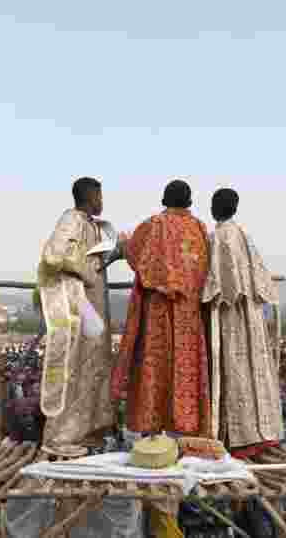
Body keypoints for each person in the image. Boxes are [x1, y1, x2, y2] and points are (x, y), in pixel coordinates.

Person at [112, 179, 211, 436]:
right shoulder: (199, 228)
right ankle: (186, 426)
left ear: (165, 199)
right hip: (189, 311)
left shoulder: (155, 224)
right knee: (186, 364)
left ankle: (152, 427)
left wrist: (122, 243)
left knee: (155, 363)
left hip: (158, 309)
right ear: (189, 202)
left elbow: (134, 253)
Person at [37, 177, 125, 456]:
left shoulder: (91, 225)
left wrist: (114, 252)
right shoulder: (71, 220)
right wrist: (85, 271)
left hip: (92, 309)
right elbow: (53, 256)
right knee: (73, 369)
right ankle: (58, 437)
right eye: (100, 196)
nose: (102, 201)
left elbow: (89, 259)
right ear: (91, 196)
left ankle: (86, 431)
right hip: (78, 307)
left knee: (92, 369)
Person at [201, 188, 282, 458]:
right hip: (251, 313)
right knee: (253, 369)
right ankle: (261, 430)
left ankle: (239, 435)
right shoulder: (245, 236)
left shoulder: (218, 237)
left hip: (230, 313)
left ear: (215, 208)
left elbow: (214, 283)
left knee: (233, 369)